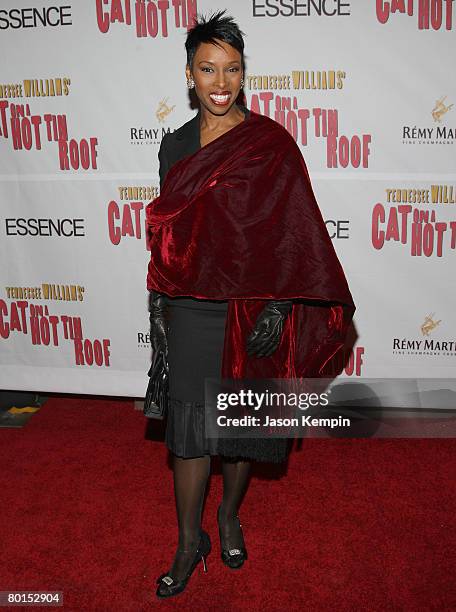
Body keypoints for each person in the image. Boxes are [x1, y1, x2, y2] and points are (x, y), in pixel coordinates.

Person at [146, 10, 355, 599]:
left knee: (238, 428)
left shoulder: (269, 143)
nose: (220, 82)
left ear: (243, 74)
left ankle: (229, 517)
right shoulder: (175, 145)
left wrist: (280, 308)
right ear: (189, 75)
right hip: (188, 305)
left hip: (250, 309)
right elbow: (165, 233)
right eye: (207, 69)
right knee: (187, 433)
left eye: (231, 69)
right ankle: (189, 542)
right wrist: (159, 315)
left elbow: (294, 233)